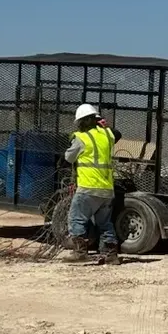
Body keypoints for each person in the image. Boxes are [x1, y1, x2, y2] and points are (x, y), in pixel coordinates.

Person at [63, 103, 121, 264]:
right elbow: (117, 134)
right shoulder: (108, 134)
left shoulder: (82, 138)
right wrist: (104, 124)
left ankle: (80, 252)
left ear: (83, 122)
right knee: (105, 223)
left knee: (76, 218)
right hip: (107, 189)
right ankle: (111, 255)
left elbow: (68, 158)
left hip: (88, 187)